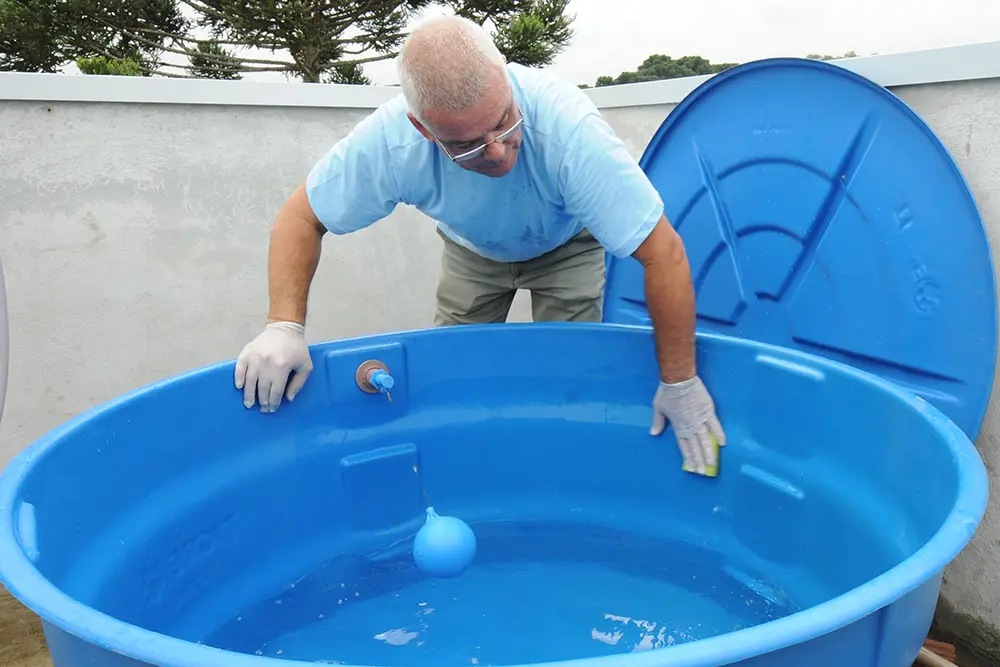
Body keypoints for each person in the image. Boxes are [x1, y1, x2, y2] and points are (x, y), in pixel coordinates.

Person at [234, 15, 726, 476]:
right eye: (467, 144)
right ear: (423, 131)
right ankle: (470, 468)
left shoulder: (567, 128)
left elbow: (664, 253)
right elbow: (302, 216)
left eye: (505, 122)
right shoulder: (390, 145)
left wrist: (680, 382)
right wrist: (283, 325)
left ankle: (562, 465)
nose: (497, 151)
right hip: (472, 251)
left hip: (568, 244)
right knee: (454, 367)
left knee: (568, 367)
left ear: (508, 82)